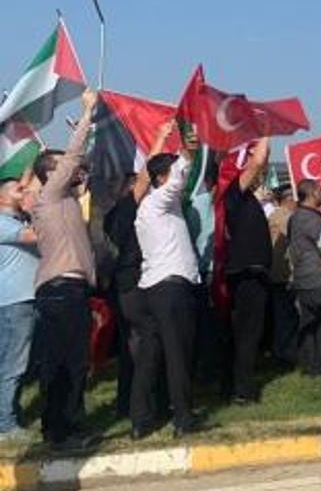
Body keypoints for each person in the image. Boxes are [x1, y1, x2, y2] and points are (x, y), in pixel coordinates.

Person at [29, 88, 99, 450]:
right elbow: (72, 157)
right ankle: (69, 430)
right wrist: (87, 112)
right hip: (64, 290)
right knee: (71, 364)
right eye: (62, 168)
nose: (73, 170)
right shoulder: (51, 195)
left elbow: (81, 163)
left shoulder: (63, 199)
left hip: (63, 291)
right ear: (49, 174)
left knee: (59, 363)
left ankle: (54, 428)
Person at [132, 121, 204, 439]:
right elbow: (175, 181)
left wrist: (164, 140)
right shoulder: (159, 200)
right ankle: (183, 418)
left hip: (153, 289)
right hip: (170, 288)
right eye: (173, 172)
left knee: (150, 356)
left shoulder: (149, 205)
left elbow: (161, 175)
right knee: (177, 354)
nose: (181, 178)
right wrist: (187, 150)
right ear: (162, 178)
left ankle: (140, 420)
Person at [221, 137, 273, 403]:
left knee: (246, 333)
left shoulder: (245, 197)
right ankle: (242, 389)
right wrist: (265, 131)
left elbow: (258, 165)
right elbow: (257, 164)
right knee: (246, 334)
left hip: (251, 272)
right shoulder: (232, 192)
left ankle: (235, 383)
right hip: (245, 273)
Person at [103, 173, 145, 420]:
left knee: (130, 348)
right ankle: (137, 405)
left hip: (122, 286)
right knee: (138, 346)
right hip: (131, 284)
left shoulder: (112, 214)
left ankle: (126, 403)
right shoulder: (126, 211)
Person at [0, 173, 38, 441]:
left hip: (28, 298)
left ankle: (10, 415)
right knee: (13, 363)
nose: (23, 191)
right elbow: (34, 236)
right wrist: (35, 204)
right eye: (17, 189)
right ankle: (6, 424)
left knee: (20, 362)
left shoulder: (16, 219)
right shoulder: (2, 223)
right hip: (15, 301)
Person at [289, 179, 321, 377]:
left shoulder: (295, 217)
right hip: (317, 277)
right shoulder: (311, 219)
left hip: (302, 277)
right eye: (319, 191)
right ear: (311, 194)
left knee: (308, 323)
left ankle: (309, 365)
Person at [265, 184, 298, 367]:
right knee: (285, 315)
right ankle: (284, 352)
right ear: (289, 200)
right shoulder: (282, 216)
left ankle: (283, 349)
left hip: (281, 272)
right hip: (282, 274)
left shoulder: (278, 215)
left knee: (284, 314)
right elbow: (295, 232)